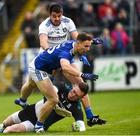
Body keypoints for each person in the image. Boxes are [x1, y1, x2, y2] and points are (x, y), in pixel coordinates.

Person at [15, 3, 103, 133]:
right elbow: (43, 43)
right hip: (48, 58)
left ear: (62, 14)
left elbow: (77, 38)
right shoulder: (44, 25)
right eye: (54, 16)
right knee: (31, 84)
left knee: (80, 83)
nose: (57, 19)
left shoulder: (68, 22)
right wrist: (54, 54)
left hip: (65, 56)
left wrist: (88, 44)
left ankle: (90, 116)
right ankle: (23, 100)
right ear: (49, 15)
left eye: (59, 16)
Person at [0, 81, 106, 133]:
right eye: (74, 91)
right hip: (31, 109)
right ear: (73, 87)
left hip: (39, 123)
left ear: (81, 97)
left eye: (76, 95)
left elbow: (81, 126)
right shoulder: (62, 87)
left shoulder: (76, 108)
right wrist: (55, 103)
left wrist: (77, 126)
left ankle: (2, 132)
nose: (73, 94)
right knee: (6, 122)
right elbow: (50, 90)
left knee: (12, 129)